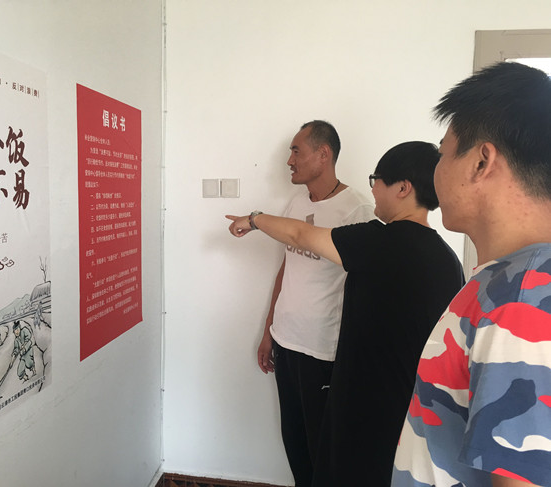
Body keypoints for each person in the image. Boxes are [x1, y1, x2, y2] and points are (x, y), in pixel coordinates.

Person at [227, 141, 464, 486]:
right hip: (412, 406)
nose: (373, 188)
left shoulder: (379, 242)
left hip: (366, 404)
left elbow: (300, 234)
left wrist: (253, 220)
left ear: (403, 188)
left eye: (377, 180)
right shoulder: (447, 260)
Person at [391, 62, 551, 487]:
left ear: (481, 162)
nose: (436, 170)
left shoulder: (521, 298)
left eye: (443, 152)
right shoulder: (510, 281)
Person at [255, 120, 374, 487]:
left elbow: (365, 289)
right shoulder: (296, 202)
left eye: (296, 151)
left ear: (324, 154)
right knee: (294, 442)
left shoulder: (357, 210)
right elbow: (286, 269)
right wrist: (269, 331)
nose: (289, 160)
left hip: (323, 352)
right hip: (286, 341)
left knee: (323, 449)